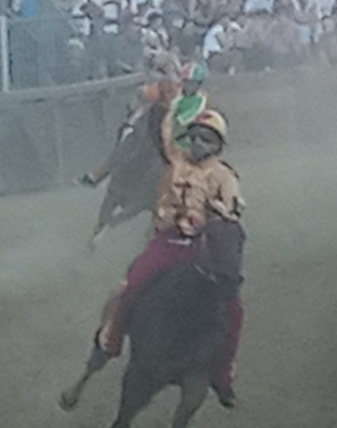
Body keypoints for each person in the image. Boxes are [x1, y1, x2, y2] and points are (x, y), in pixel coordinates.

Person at [83, 108, 245, 407]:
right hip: (166, 242)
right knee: (133, 285)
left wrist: (223, 212)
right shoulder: (174, 160)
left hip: (200, 247)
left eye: (207, 139)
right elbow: (164, 136)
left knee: (233, 308)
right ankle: (114, 337)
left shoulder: (225, 176)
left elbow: (232, 209)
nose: (199, 144)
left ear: (218, 145)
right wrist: (168, 104)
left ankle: (222, 372)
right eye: (195, 138)